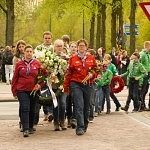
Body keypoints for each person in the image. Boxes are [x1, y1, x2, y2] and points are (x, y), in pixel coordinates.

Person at [64, 39, 96, 135]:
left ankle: (85, 124)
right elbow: (69, 73)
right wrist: (66, 86)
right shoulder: (73, 59)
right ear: (77, 47)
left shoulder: (91, 58)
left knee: (87, 106)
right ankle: (80, 127)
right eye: (80, 46)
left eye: (83, 46)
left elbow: (96, 70)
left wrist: (92, 75)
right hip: (76, 83)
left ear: (86, 47)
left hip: (88, 84)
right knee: (79, 105)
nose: (81, 47)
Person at [11, 45, 44, 137]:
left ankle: (30, 126)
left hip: (33, 90)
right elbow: (15, 78)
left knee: (32, 109)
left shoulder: (37, 63)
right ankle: (25, 128)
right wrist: (14, 91)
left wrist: (39, 85)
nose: (29, 53)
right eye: (27, 51)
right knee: (25, 108)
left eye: (30, 51)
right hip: (21, 89)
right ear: (24, 53)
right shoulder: (19, 64)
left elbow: (43, 78)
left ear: (32, 53)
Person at [34, 31, 54, 122]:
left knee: (50, 92)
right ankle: (46, 112)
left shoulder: (54, 48)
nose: (47, 39)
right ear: (43, 38)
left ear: (51, 38)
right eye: (45, 38)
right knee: (43, 92)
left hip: (51, 73)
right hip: (41, 72)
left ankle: (50, 112)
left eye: (49, 38)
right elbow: (36, 59)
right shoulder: (38, 48)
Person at [139, 41, 150, 110]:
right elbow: (139, 64)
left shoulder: (148, 54)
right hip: (144, 75)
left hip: (148, 74)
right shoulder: (142, 54)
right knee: (143, 90)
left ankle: (144, 105)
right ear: (147, 46)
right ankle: (142, 105)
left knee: (146, 90)